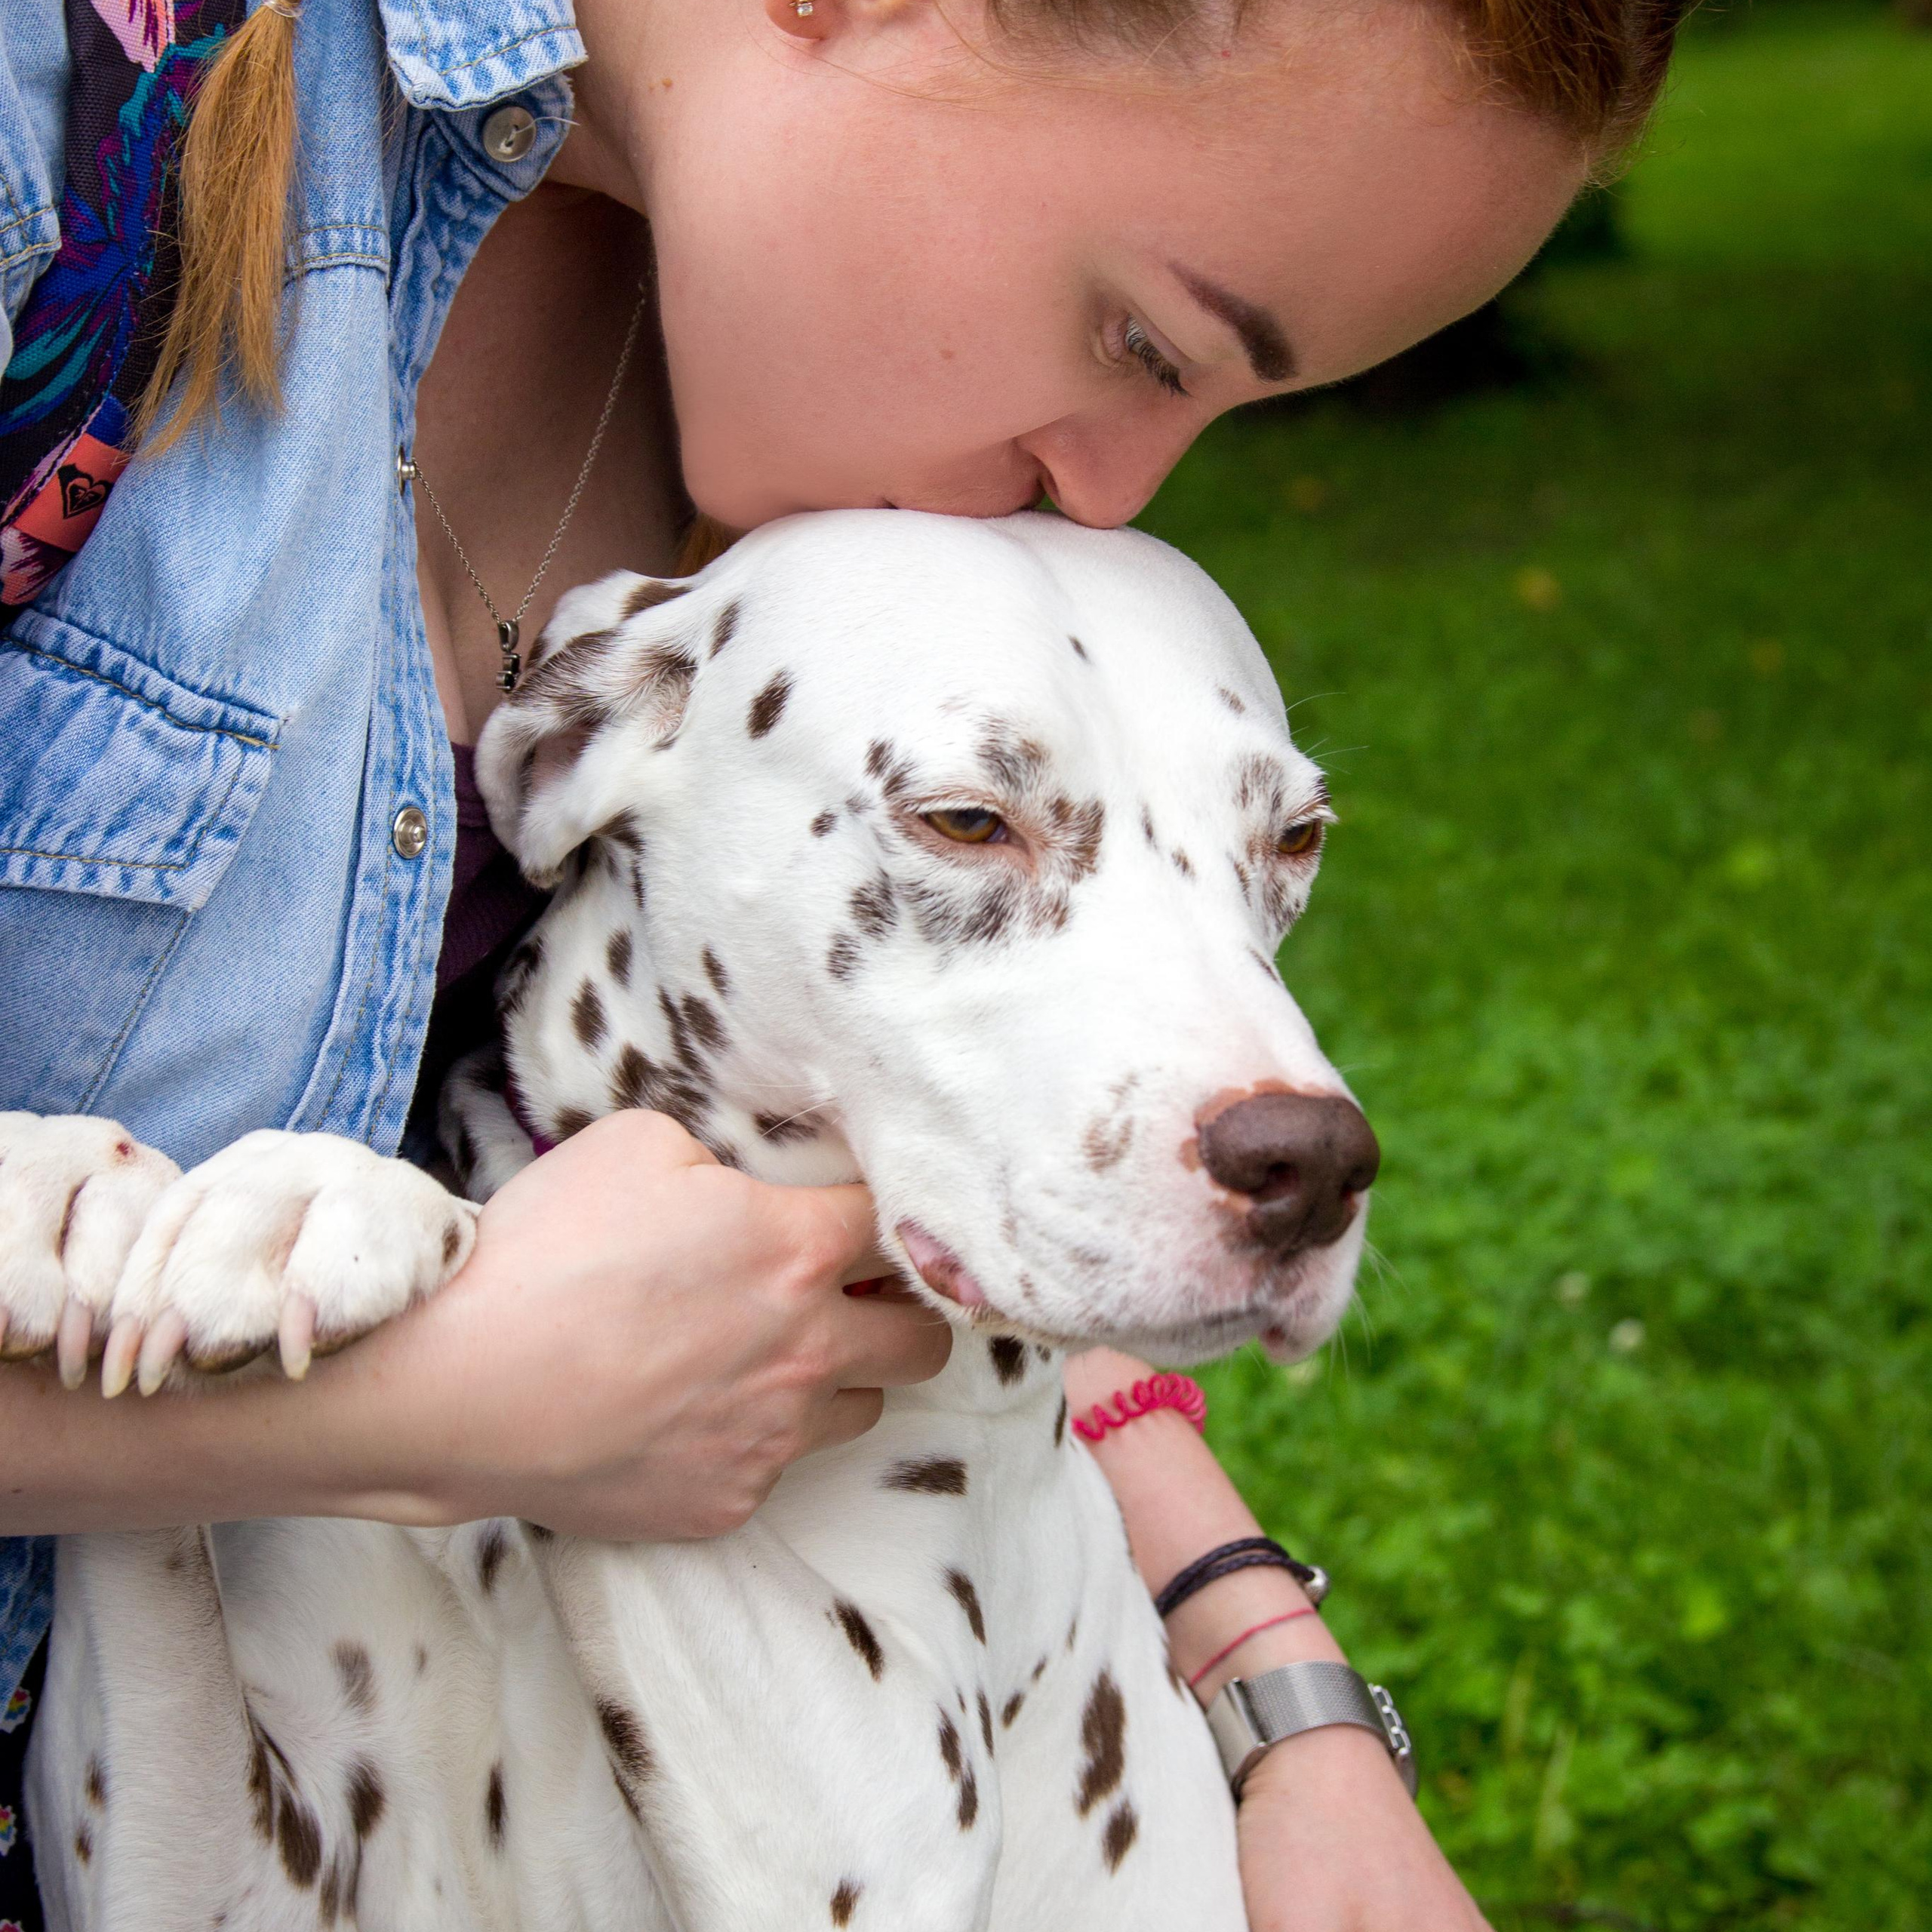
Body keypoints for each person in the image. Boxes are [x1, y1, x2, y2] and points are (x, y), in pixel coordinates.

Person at [0, 0, 1687, 1923]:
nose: (1120, 494)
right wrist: (419, 1407)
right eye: (1142, 339)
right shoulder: (50, 135)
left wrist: (1257, 1673)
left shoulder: (818, 434)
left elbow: (938, 1110)